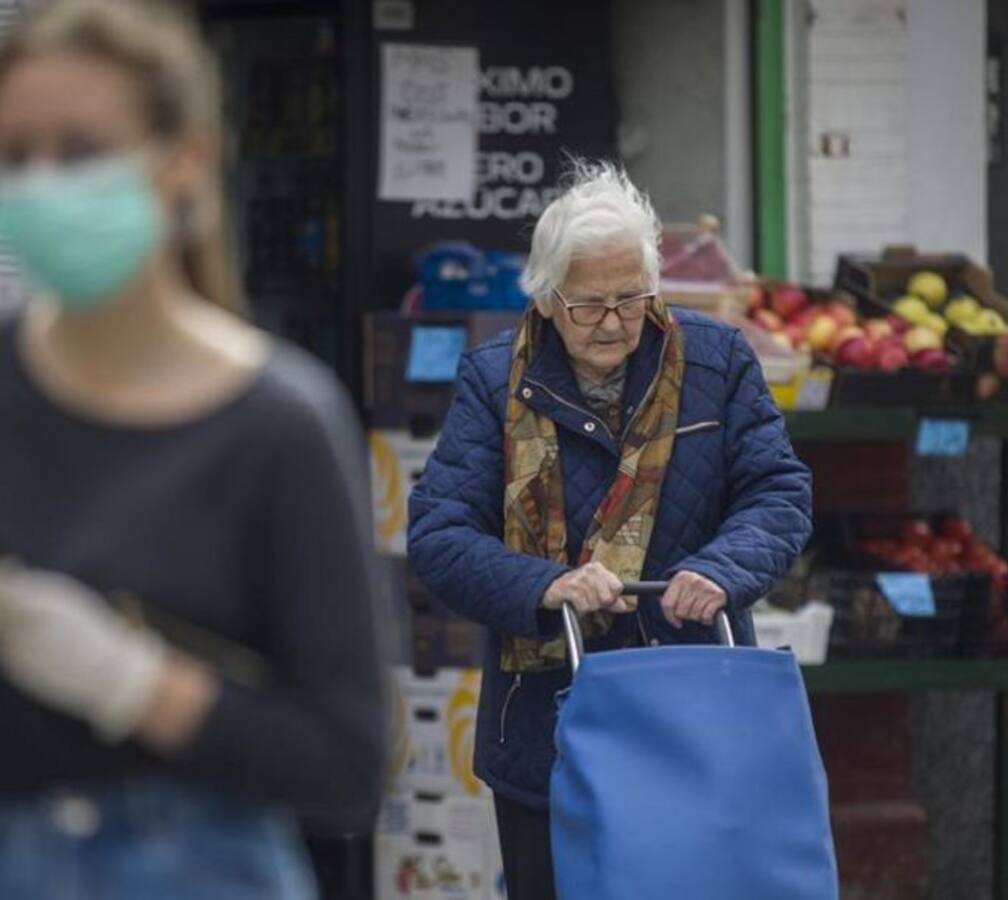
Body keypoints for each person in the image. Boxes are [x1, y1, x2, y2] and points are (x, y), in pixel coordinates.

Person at [0, 1, 386, 896]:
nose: (42, 183)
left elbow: (344, 764)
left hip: (197, 865)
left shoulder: (279, 427)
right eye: (16, 155)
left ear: (186, 162)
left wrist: (128, 683)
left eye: (82, 151)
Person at [408, 160, 813, 900]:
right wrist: (547, 584)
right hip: (547, 730)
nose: (615, 323)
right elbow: (438, 534)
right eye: (590, 305)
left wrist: (724, 568)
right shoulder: (494, 379)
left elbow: (778, 490)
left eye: (632, 300)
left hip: (696, 717)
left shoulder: (717, 360)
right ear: (548, 295)